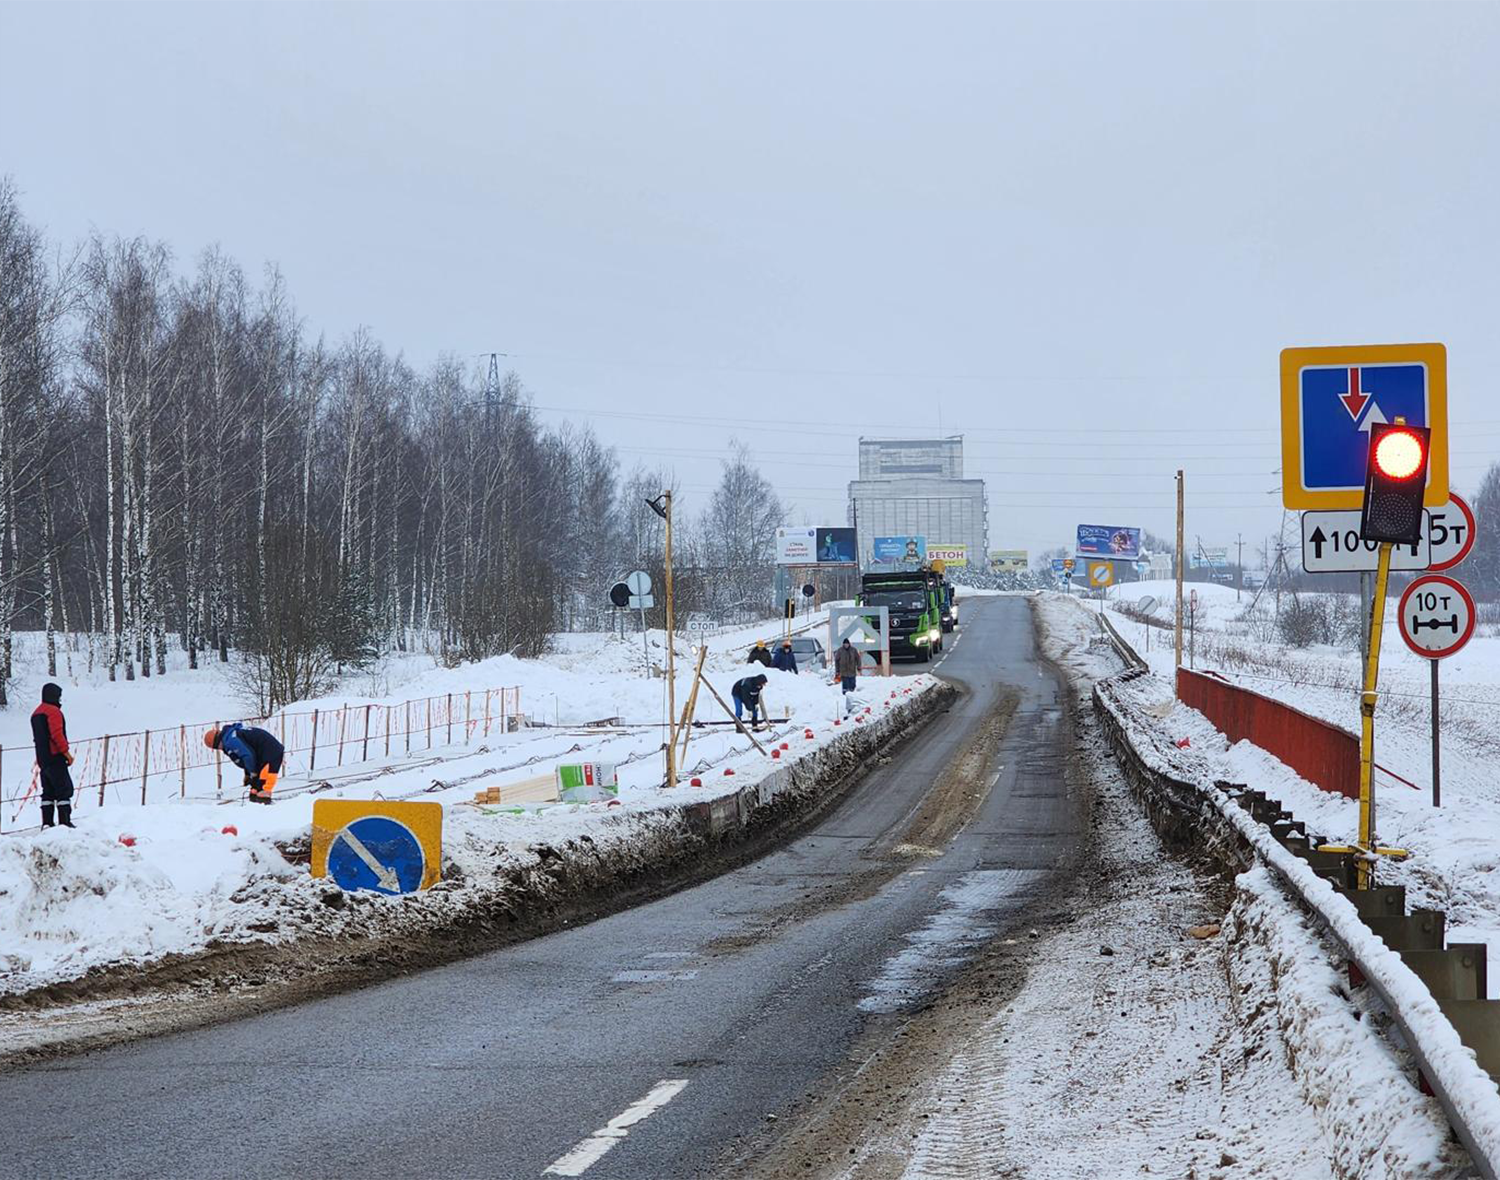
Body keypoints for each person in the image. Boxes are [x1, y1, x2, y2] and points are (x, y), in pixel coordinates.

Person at [205, 723, 285, 804]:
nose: (219, 749)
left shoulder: (231, 740)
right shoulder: (231, 734)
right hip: (261, 754)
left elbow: (248, 756)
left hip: (271, 753)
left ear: (217, 743)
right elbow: (246, 754)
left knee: (264, 787)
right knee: (255, 789)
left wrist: (252, 772)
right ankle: (255, 803)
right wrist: (248, 774)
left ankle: (267, 809)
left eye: (217, 747)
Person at [31, 683, 75, 828]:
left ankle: (47, 823)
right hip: (55, 756)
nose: (60, 700)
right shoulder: (53, 712)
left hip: (43, 759)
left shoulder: (36, 713)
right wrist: (66, 753)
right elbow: (57, 734)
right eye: (59, 696)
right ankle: (65, 823)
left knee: (48, 792)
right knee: (64, 790)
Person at [834, 638, 861, 715]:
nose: (846, 645)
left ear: (849, 644)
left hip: (852, 671)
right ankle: (845, 697)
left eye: (847, 644)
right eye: (844, 644)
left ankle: (852, 697)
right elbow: (836, 660)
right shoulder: (840, 651)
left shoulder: (853, 650)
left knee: (852, 684)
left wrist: (859, 667)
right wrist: (837, 670)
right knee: (845, 685)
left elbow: (858, 659)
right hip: (844, 672)